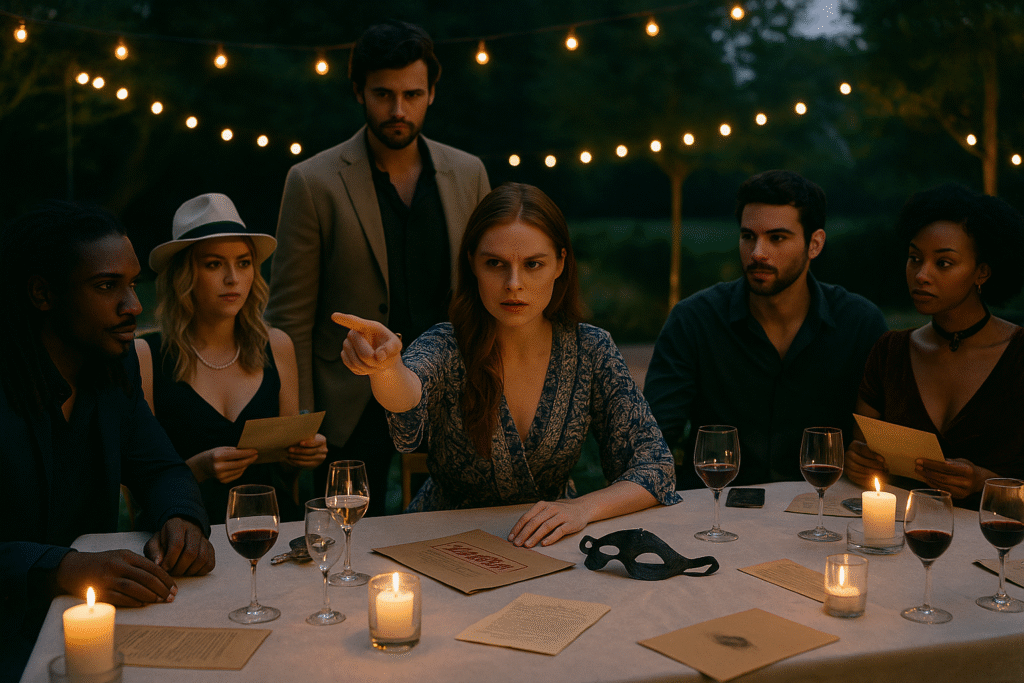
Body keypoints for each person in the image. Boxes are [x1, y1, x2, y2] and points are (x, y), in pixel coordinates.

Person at [334, 182, 681, 548]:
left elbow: (655, 466)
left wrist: (580, 509)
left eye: (533, 264)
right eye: (495, 264)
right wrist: (386, 368)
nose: (513, 284)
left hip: (546, 541)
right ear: (472, 263)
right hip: (441, 543)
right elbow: (408, 391)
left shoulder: (591, 349)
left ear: (560, 263)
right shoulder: (447, 344)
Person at [266, 20, 490, 515]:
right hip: (349, 402)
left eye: (412, 94)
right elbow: (289, 315)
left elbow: (485, 289)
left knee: (452, 534)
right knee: (344, 538)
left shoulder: (468, 173)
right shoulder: (312, 181)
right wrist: (300, 417)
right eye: (383, 94)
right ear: (358, 92)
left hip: (447, 390)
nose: (397, 110)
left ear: (432, 92)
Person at [0, 201, 215, 681]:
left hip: (97, 630)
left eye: (133, 283)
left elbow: (161, 468)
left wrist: (181, 518)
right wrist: (62, 567)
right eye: (106, 286)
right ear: (42, 293)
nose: (134, 306)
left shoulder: (112, 370)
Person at [644, 170, 887, 490]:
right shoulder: (694, 320)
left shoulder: (860, 323)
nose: (758, 252)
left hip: (822, 513)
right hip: (715, 512)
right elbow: (651, 439)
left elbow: (881, 447)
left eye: (777, 238)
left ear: (814, 244)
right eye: (748, 236)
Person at [136, 193, 328, 524]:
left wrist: (302, 453)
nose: (232, 278)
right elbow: (137, 477)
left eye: (243, 262)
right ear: (185, 274)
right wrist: (196, 469)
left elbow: (286, 473)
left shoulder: (277, 345)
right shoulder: (147, 356)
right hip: (186, 531)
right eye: (214, 264)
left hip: (270, 529)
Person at [846, 184, 1024, 508]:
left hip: (1001, 549)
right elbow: (861, 450)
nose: (921, 275)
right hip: (904, 540)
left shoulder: (1018, 356)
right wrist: (858, 461)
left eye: (943, 263)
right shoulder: (891, 352)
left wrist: (985, 482)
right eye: (915, 258)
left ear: (981, 271)